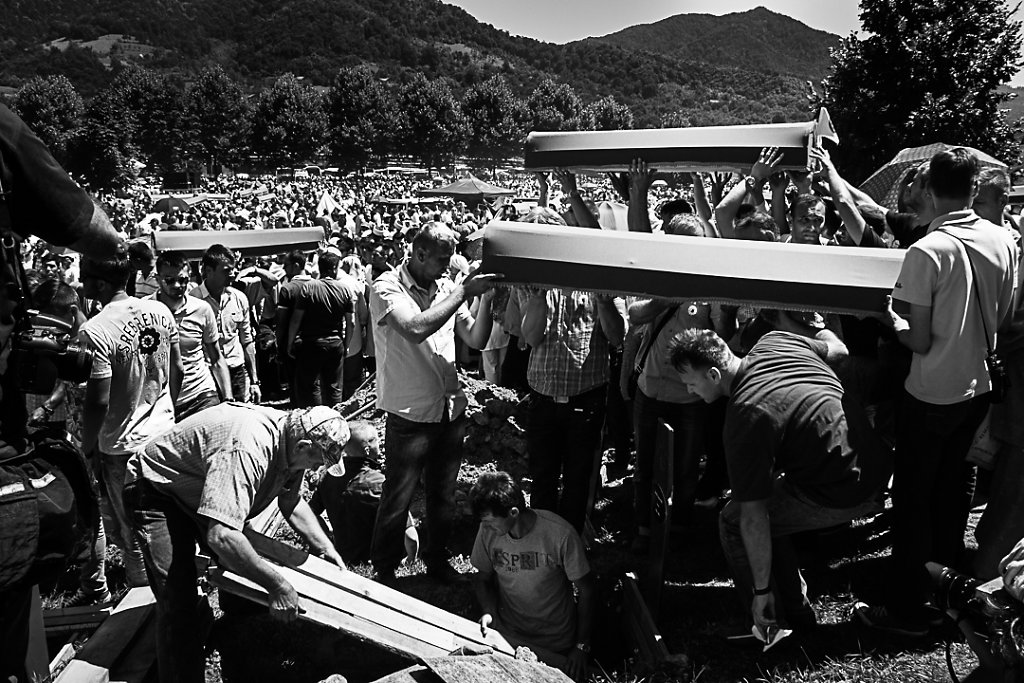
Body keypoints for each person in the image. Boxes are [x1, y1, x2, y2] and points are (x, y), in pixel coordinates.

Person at [856, 148, 1018, 637]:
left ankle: (907, 608)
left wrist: (888, 317)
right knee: (953, 497)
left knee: (913, 503)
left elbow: (918, 339)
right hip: (979, 388)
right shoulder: (1004, 240)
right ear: (974, 188)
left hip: (930, 392)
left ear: (928, 191)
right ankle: (949, 593)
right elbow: (1006, 318)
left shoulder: (927, 251)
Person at [670, 328, 890, 632]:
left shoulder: (746, 415)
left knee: (733, 521)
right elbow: (839, 349)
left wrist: (761, 591)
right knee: (772, 507)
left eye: (691, 383)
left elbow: (752, 516)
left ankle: (768, 621)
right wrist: (819, 326)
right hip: (875, 462)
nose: (690, 392)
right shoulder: (777, 340)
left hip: (846, 490)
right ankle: (795, 610)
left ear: (713, 374)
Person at [124, 404, 349, 683]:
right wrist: (278, 586)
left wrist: (326, 549)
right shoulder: (248, 449)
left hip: (203, 488)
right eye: (319, 461)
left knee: (245, 567)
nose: (318, 468)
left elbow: (291, 501)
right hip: (157, 489)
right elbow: (223, 535)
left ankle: (236, 641)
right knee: (178, 600)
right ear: (304, 446)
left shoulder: (293, 443)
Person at [368, 222, 499, 584]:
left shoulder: (445, 288)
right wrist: (462, 292)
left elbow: (475, 336)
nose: (448, 265)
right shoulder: (386, 287)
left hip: (448, 409)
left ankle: (436, 561)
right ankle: (385, 568)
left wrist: (485, 296)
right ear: (419, 253)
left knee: (443, 494)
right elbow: (413, 329)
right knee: (399, 494)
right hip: (410, 414)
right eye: (442, 259)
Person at [79, 244, 184, 588]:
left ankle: (145, 600)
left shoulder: (96, 330)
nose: (81, 286)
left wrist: (88, 445)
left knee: (133, 530)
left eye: (85, 280)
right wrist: (165, 406)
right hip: (164, 434)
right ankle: (182, 585)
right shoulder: (162, 313)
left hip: (123, 444)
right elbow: (178, 370)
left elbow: (98, 400)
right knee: (170, 518)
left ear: (99, 284)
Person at [519, 208, 627, 533]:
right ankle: (543, 545)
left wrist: (605, 303)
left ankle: (571, 542)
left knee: (579, 477)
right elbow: (531, 336)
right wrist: (538, 298)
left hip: (586, 399)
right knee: (543, 477)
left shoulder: (598, 275)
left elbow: (617, 336)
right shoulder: (532, 282)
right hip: (542, 397)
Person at [470, 472, 595, 681]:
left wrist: (581, 646)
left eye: (491, 521)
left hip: (557, 644)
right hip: (508, 637)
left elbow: (588, 590)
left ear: (513, 512)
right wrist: (489, 611)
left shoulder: (560, 535)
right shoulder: (487, 531)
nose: (486, 526)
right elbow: (482, 579)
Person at [309, 419, 418, 565]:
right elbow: (410, 536)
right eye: (376, 439)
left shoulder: (328, 478)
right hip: (375, 559)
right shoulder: (381, 483)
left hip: (344, 556)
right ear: (367, 449)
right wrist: (411, 558)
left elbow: (310, 513)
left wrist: (327, 538)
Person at [151, 250, 231, 420]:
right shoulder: (145, 310)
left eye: (183, 280)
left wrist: (228, 398)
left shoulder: (201, 310)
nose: (177, 286)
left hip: (200, 396)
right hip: (161, 401)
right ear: (157, 280)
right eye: (170, 280)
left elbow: (216, 358)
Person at [286, 251, 361, 407]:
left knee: (311, 386)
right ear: (334, 268)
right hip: (335, 343)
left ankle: (315, 422)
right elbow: (351, 322)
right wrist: (345, 345)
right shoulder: (345, 289)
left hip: (311, 343)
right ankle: (334, 420)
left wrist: (290, 342)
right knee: (334, 388)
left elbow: (296, 320)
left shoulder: (308, 288)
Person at [191, 244, 260, 403]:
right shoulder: (193, 301)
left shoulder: (239, 298)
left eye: (233, 269)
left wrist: (254, 381)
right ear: (208, 271)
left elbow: (246, 340)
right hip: (207, 374)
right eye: (226, 270)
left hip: (237, 372)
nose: (233, 274)